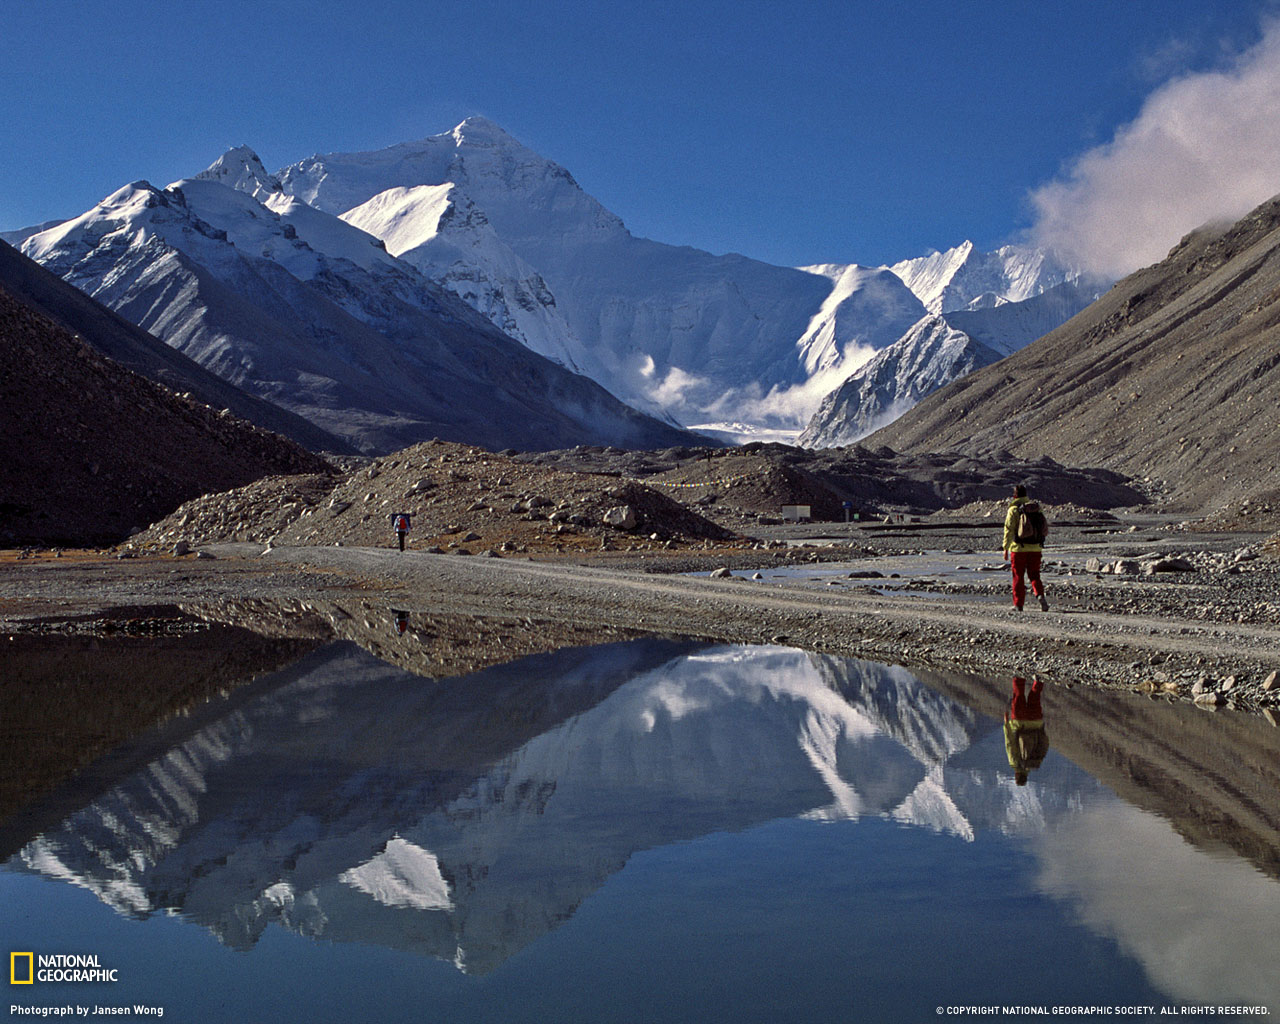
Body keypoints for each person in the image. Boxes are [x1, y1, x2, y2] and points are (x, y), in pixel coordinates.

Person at [1003, 484, 1048, 611]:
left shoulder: (1013, 510)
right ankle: (1040, 596)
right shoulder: (1036, 509)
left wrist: (1005, 548)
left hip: (1018, 549)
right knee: (1035, 575)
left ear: (1014, 496)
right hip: (1036, 548)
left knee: (1018, 576)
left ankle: (1018, 604)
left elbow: (1009, 530)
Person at [1003, 675, 1049, 785]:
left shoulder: (1036, 762)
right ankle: (1019, 673)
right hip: (1019, 721)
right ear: (1016, 776)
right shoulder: (1015, 763)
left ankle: (1038, 679)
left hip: (1036, 722)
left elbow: (1044, 743)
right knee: (1018, 694)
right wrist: (1006, 724)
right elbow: (1010, 743)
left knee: (1035, 696)